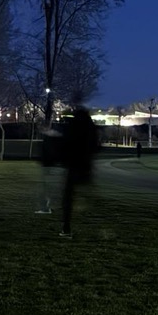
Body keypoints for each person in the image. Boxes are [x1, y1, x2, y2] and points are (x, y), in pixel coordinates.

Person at [59, 97, 99, 238]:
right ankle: (87, 213)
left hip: (73, 164)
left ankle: (66, 226)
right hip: (85, 164)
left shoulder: (72, 124)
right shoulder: (90, 126)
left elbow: (65, 143)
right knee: (84, 191)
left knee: (68, 196)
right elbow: (96, 145)